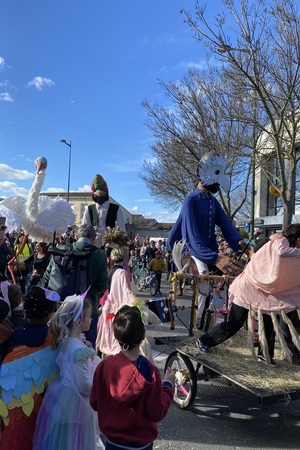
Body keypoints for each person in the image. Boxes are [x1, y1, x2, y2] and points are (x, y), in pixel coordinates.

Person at [198, 224, 300, 367]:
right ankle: (204, 341)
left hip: (260, 290)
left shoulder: (281, 242)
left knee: (269, 321)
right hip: (248, 287)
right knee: (235, 322)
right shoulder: (281, 241)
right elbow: (281, 252)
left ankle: (265, 355)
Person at [167, 152, 248, 329]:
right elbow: (192, 239)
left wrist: (242, 244)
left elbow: (226, 225)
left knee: (223, 285)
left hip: (209, 251)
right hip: (193, 251)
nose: (220, 184)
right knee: (204, 283)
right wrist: (216, 258)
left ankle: (217, 325)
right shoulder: (190, 200)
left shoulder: (212, 202)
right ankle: (197, 327)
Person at [90, 305, 175, 450]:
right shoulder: (150, 372)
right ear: (143, 337)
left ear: (116, 336)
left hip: (112, 443)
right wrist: (168, 385)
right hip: (141, 445)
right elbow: (157, 412)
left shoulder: (103, 367)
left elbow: (94, 402)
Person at [33, 295, 103, 450]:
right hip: (79, 406)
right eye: (89, 317)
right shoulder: (79, 351)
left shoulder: (66, 342)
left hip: (63, 401)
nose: (91, 320)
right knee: (79, 442)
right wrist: (101, 391)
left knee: (65, 441)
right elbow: (84, 385)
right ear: (79, 322)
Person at [43, 224, 108, 349]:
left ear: (77, 236)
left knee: (60, 345)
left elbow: (47, 278)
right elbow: (101, 286)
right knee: (86, 349)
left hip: (61, 307)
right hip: (86, 309)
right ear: (93, 237)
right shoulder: (99, 254)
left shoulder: (61, 249)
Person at [96, 248, 136, 357]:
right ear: (123, 260)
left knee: (106, 338)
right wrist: (138, 304)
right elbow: (127, 292)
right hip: (116, 310)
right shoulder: (122, 272)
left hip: (108, 310)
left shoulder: (109, 271)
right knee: (117, 340)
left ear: (111, 259)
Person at [82, 174, 125, 248]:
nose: (99, 197)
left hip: (110, 246)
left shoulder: (116, 208)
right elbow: (83, 229)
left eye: (101, 194)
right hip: (93, 246)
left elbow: (122, 230)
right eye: (97, 195)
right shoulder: (89, 209)